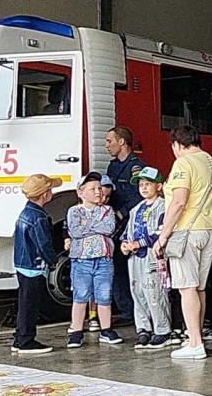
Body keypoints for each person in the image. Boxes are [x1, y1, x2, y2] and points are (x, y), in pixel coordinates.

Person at [153, 125, 212, 361]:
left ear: (177, 144)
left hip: (187, 232)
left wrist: (163, 236)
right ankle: (196, 337)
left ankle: (195, 343)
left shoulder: (183, 164)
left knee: (186, 288)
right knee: (199, 288)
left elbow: (178, 203)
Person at [66, 172, 123, 347]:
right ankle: (76, 332)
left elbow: (109, 228)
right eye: (93, 189)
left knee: (104, 296)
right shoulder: (74, 211)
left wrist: (87, 226)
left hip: (104, 260)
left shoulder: (107, 210)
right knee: (80, 296)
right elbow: (74, 231)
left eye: (99, 188)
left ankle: (106, 330)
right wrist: (96, 227)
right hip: (81, 260)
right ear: (80, 192)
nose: (98, 192)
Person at [121, 167, 172, 351]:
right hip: (135, 259)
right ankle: (144, 329)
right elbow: (127, 232)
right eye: (141, 185)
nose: (143, 188)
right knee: (138, 293)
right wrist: (125, 244)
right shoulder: (136, 209)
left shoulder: (164, 206)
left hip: (153, 256)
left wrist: (138, 243)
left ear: (159, 186)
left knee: (155, 294)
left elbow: (160, 233)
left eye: (148, 184)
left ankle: (162, 331)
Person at [12, 174, 63, 355]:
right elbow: (43, 245)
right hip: (34, 268)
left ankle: (20, 337)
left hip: (22, 265)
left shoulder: (26, 212)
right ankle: (25, 341)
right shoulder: (39, 217)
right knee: (30, 305)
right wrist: (53, 260)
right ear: (44, 194)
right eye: (50, 190)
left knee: (24, 303)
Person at [105, 127, 147, 324]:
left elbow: (140, 195)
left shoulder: (136, 167)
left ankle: (134, 311)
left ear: (122, 142)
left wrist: (122, 212)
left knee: (131, 268)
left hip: (130, 222)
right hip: (114, 224)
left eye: (109, 141)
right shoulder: (112, 167)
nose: (107, 146)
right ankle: (125, 310)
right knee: (117, 267)